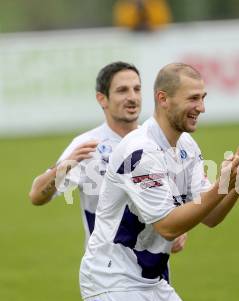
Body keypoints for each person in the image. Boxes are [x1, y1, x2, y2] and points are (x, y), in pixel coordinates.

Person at [79, 63, 239, 301]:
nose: (201, 107)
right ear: (163, 99)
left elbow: (211, 216)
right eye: (193, 98)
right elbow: (168, 226)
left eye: (203, 98)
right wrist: (222, 183)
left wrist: (236, 182)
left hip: (154, 283)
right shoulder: (140, 152)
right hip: (114, 284)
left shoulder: (186, 146)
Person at [28, 61, 187, 271]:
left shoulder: (158, 142)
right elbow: (37, 196)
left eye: (137, 89)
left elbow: (173, 201)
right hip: (107, 273)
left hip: (154, 273)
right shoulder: (87, 146)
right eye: (122, 90)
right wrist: (63, 169)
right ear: (102, 99)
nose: (132, 97)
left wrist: (181, 227)